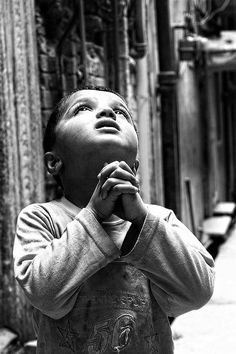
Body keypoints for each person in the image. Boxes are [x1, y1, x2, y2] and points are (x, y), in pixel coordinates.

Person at [13, 86, 215, 354]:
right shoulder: (41, 218)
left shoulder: (158, 220)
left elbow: (197, 291)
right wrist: (94, 215)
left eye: (121, 112)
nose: (108, 112)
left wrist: (142, 219)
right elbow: (44, 294)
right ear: (54, 163)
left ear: (134, 167)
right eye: (84, 108)